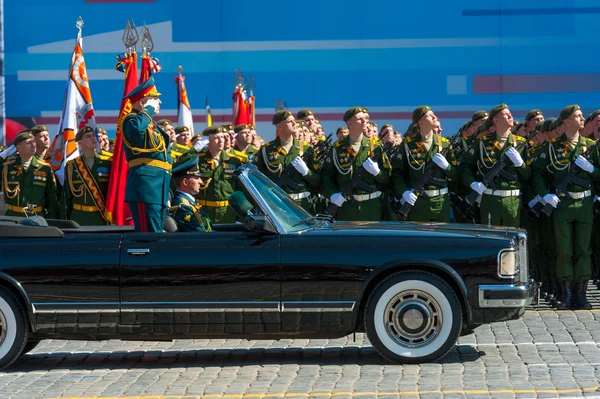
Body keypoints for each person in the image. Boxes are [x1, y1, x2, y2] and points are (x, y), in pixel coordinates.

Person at [532, 105, 599, 310]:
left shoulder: (591, 146)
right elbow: (537, 173)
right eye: (577, 116)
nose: (581, 119)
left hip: (585, 203)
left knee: (583, 250)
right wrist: (546, 194)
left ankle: (581, 295)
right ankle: (566, 294)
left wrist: (593, 169)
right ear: (567, 122)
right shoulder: (552, 147)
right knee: (564, 250)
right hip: (562, 203)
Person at [460, 104, 530, 227]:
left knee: (512, 239)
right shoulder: (483, 142)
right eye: (505, 114)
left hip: (512, 200)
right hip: (490, 199)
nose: (510, 115)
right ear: (495, 120)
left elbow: (528, 174)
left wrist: (520, 164)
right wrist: (473, 183)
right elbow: (464, 166)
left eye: (510, 113)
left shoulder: (521, 143)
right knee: (491, 237)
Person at [321, 106, 391, 221]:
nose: (365, 121)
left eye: (366, 118)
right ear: (349, 123)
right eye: (360, 119)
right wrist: (332, 194)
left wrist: (377, 173)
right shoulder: (337, 148)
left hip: (371, 206)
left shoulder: (376, 147)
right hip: (346, 207)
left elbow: (387, 178)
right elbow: (326, 176)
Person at [122, 76, 172, 233]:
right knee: (148, 237)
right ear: (143, 102)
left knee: (157, 235)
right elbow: (136, 131)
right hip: (146, 189)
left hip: (159, 189)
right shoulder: (131, 121)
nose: (159, 102)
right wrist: (148, 109)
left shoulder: (152, 125)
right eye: (155, 98)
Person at [392, 106, 457, 222]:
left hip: (440, 202)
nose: (434, 117)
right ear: (420, 122)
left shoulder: (445, 144)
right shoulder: (408, 145)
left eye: (434, 114)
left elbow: (455, 174)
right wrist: (405, 192)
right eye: (429, 115)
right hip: (418, 203)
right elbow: (397, 174)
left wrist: (447, 167)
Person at [255, 110, 321, 212]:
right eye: (290, 122)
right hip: (277, 206)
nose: (295, 124)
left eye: (294, 121)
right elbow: (257, 179)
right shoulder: (266, 150)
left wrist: (306, 172)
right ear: (279, 126)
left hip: (302, 206)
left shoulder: (306, 148)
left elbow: (318, 181)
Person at [194, 125, 247, 223]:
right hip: (204, 212)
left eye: (222, 137)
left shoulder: (235, 161)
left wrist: (241, 218)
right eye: (216, 138)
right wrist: (193, 150)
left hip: (228, 213)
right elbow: (179, 167)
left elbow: (243, 190)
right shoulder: (198, 159)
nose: (221, 140)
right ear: (208, 141)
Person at [1, 130, 58, 218]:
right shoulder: (7, 167)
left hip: (36, 216)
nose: (33, 145)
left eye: (34, 142)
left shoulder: (45, 168)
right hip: (13, 215)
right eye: (28, 143)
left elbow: (52, 199)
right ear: (18, 147)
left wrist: (52, 220)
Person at [65, 126, 112, 225]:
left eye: (93, 135)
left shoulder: (107, 162)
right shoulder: (72, 165)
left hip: (101, 217)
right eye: (88, 136)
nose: (93, 138)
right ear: (80, 142)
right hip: (79, 217)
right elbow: (66, 197)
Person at [169, 156, 213, 232]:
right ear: (185, 182)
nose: (201, 182)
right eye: (197, 178)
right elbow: (199, 234)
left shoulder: (190, 202)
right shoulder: (183, 207)